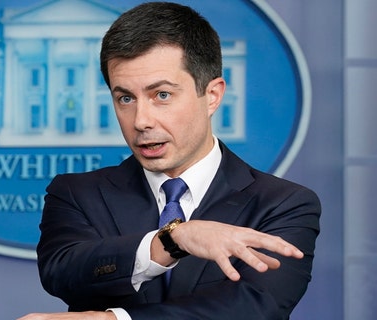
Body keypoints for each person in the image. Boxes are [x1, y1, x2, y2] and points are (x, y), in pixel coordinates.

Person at [18, 2, 320, 319]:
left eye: (161, 95)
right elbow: (63, 272)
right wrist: (171, 241)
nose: (140, 121)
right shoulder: (77, 193)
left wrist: (113, 319)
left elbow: (252, 308)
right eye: (125, 98)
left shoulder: (283, 204)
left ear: (213, 96)